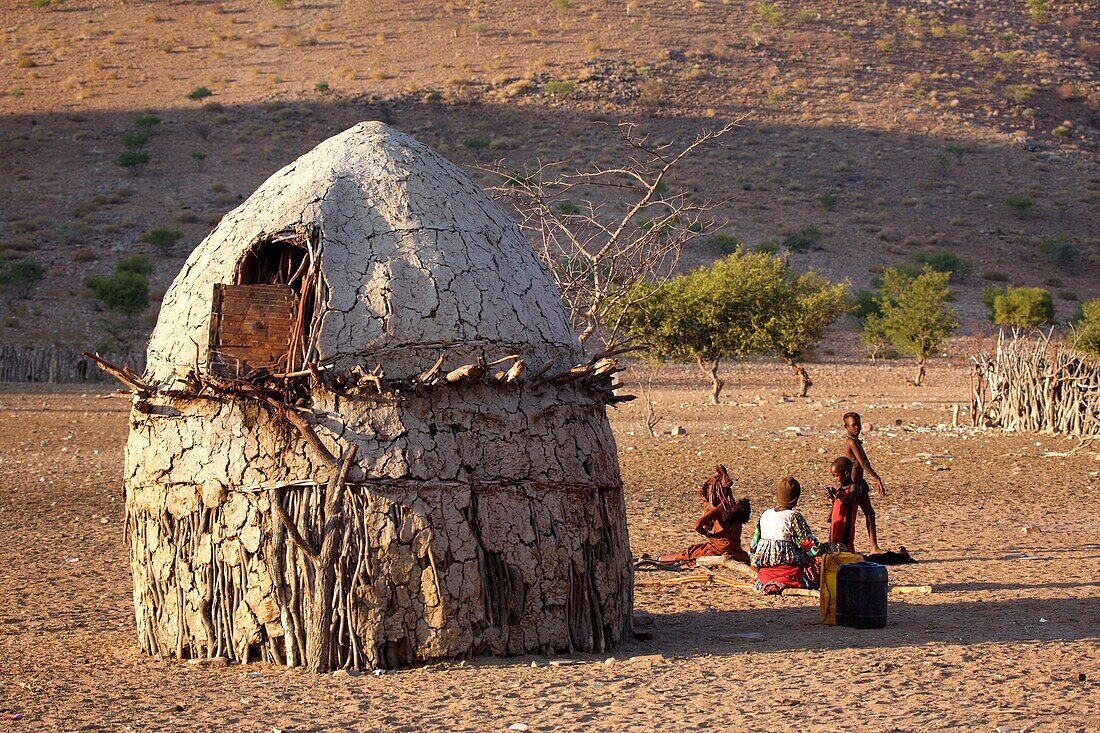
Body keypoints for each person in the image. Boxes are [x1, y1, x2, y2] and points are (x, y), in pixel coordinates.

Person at [658, 465, 752, 566]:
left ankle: (658, 559)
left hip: (719, 549)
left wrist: (709, 535)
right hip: (735, 550)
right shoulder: (734, 506)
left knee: (687, 555)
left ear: (716, 492)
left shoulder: (719, 509)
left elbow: (696, 525)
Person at [750, 476, 826, 593]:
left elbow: (753, 547)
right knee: (821, 561)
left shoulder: (765, 515)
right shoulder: (793, 517)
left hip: (765, 573)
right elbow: (811, 549)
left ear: (776, 495)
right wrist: (830, 547)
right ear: (796, 499)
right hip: (790, 572)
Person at [842, 411, 885, 555]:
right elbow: (861, 462)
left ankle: (874, 547)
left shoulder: (857, 442)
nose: (857, 427)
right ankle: (846, 547)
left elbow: (865, 461)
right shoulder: (851, 442)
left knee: (870, 514)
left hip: (860, 483)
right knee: (849, 517)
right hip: (852, 485)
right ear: (846, 427)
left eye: (858, 424)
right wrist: (876, 478)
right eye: (853, 425)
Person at [826, 456, 860, 552]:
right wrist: (832, 497)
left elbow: (850, 503)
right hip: (837, 521)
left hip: (846, 524)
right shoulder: (840, 487)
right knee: (833, 543)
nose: (835, 478)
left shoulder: (853, 487)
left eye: (836, 475)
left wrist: (837, 493)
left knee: (844, 547)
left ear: (846, 473)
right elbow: (838, 502)